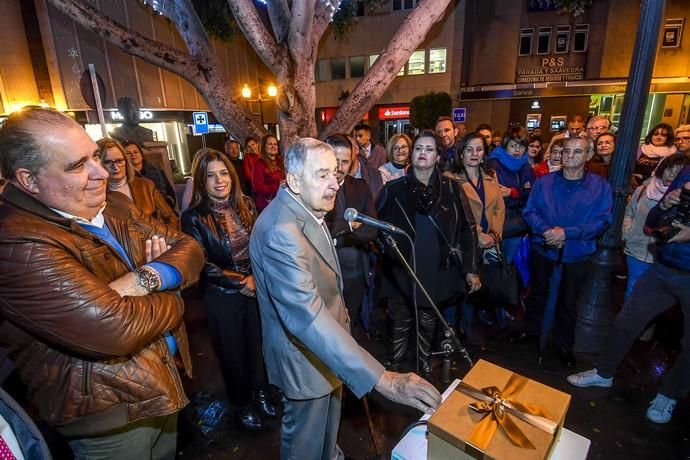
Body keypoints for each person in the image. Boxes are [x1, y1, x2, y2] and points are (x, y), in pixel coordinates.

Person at [0, 107, 204, 458]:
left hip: (160, 382)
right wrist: (173, 290)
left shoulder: (113, 207)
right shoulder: (16, 242)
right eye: (77, 166)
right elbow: (114, 330)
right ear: (29, 180)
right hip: (109, 417)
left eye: (96, 156)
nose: (101, 173)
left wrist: (147, 276)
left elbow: (190, 247)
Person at [249, 137, 441, 460]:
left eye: (335, 173)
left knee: (326, 444)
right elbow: (307, 318)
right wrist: (385, 379)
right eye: (321, 175)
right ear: (294, 180)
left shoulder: (307, 208)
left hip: (328, 354)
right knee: (305, 450)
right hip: (304, 362)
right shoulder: (280, 230)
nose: (334, 184)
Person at [567, 164, 690, 424]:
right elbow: (652, 223)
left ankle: (670, 393)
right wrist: (666, 204)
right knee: (625, 322)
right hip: (662, 267)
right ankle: (604, 372)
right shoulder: (686, 172)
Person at [181, 148, 275, 431]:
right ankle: (242, 404)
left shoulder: (246, 204)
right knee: (233, 354)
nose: (219, 180)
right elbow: (202, 264)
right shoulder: (193, 218)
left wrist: (256, 279)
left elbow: (262, 246)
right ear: (201, 181)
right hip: (222, 296)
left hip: (255, 289)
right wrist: (240, 281)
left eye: (223, 173)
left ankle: (261, 393)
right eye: (211, 176)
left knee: (259, 348)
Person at [377, 131, 480, 374]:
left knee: (428, 318)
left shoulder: (452, 188)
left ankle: (421, 362)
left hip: (436, 266)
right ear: (412, 154)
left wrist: (471, 270)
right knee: (399, 319)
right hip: (402, 266)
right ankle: (393, 366)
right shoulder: (394, 189)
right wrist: (387, 251)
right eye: (419, 148)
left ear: (438, 156)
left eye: (429, 149)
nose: (423, 153)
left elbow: (468, 229)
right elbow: (377, 227)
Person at [523, 137, 612, 368]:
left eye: (577, 151)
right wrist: (547, 231)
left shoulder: (600, 187)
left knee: (568, 302)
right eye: (566, 151)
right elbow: (530, 211)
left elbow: (602, 221)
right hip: (544, 248)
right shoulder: (544, 183)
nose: (570, 155)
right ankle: (531, 334)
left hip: (576, 253)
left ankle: (564, 345)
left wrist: (568, 233)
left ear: (588, 155)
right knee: (537, 295)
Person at [444, 132, 505, 338]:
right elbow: (453, 214)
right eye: (469, 149)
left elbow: (499, 208)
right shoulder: (450, 178)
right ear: (461, 153)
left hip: (488, 242)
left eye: (479, 149)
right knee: (457, 289)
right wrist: (478, 234)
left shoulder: (490, 176)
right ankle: (450, 331)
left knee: (477, 288)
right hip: (462, 243)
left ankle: (469, 329)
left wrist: (494, 235)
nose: (474, 153)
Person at [324, 134, 378, 338]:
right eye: (334, 160)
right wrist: (348, 226)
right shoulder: (312, 190)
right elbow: (314, 230)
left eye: (345, 161)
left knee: (350, 325)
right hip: (324, 272)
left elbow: (371, 230)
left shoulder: (360, 187)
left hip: (354, 271)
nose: (339, 167)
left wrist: (337, 237)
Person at [623, 153, 687, 301]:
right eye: (669, 169)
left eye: (678, 171)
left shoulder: (683, 199)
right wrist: (627, 233)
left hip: (662, 256)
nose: (672, 174)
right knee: (632, 290)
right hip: (637, 249)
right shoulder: (643, 190)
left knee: (655, 298)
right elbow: (629, 213)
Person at [98, 137, 179, 228]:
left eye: (119, 161)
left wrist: (166, 239)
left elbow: (171, 218)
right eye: (108, 162)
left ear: (126, 161)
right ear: (98, 164)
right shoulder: (96, 194)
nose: (116, 167)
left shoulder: (146, 185)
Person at [486, 127, 534, 263]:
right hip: (496, 222)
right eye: (513, 146)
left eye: (521, 146)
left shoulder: (526, 166)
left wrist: (513, 192)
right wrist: (519, 192)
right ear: (505, 146)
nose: (517, 151)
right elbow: (494, 193)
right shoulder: (494, 164)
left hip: (518, 224)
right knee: (493, 264)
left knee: (512, 264)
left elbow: (532, 193)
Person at [122, 140, 178, 210]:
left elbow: (171, 196)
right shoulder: (124, 178)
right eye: (128, 153)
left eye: (136, 152)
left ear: (141, 154)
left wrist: (164, 205)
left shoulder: (158, 172)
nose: (133, 155)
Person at [251, 133, 285, 212]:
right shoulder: (259, 165)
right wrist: (277, 185)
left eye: (275, 144)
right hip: (267, 206)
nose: (273, 146)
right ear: (264, 146)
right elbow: (258, 188)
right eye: (270, 144)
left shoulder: (281, 162)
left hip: (282, 203)